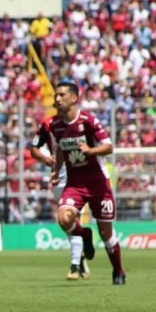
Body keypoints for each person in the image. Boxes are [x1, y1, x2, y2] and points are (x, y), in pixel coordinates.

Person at [48, 80, 126, 285]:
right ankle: (84, 234)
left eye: (61, 95)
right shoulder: (55, 126)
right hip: (75, 184)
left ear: (74, 98)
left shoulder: (88, 121)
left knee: (106, 234)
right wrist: (56, 171)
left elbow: (109, 147)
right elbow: (58, 149)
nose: (57, 99)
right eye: (56, 96)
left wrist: (91, 151)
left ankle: (118, 271)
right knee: (64, 219)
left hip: (98, 183)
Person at [28, 117, 89, 281]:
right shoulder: (48, 124)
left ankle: (75, 265)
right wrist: (45, 158)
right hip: (59, 179)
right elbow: (33, 149)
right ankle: (80, 253)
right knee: (66, 221)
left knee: (73, 217)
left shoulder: (83, 120)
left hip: (78, 176)